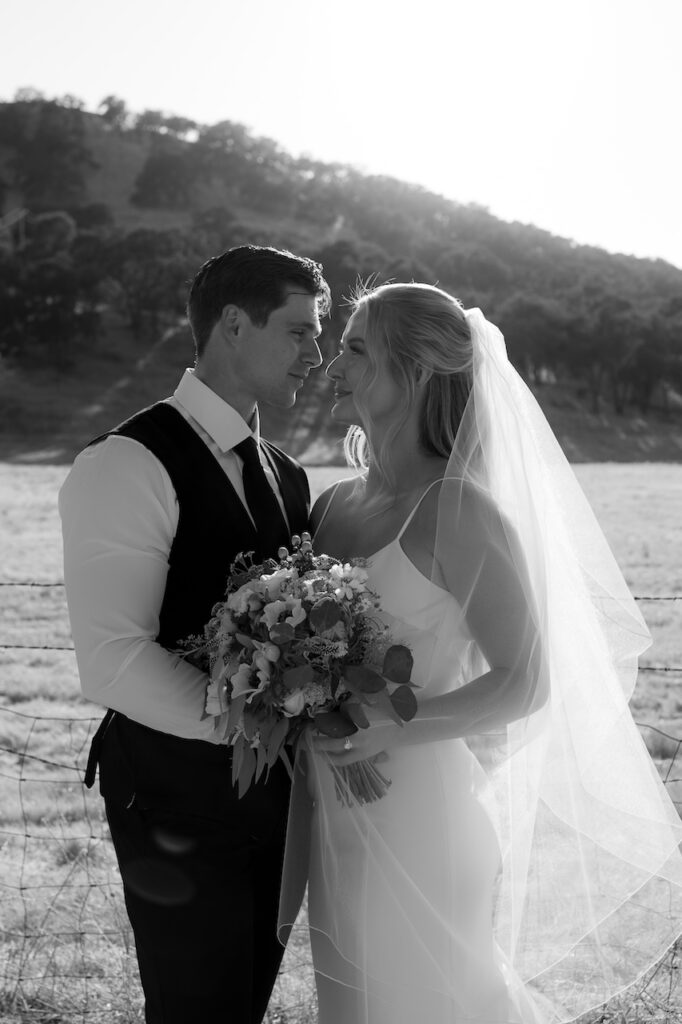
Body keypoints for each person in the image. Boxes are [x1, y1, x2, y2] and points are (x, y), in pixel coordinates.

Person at [278, 282, 682, 1023]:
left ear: (417, 372)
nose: (334, 366)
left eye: (355, 349)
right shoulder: (332, 506)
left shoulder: (459, 509)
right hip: (330, 812)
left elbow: (525, 681)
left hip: (422, 816)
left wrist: (392, 726)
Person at [59, 244, 331, 1024]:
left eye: (320, 337)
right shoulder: (127, 462)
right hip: (173, 799)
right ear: (234, 326)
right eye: (300, 332)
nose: (315, 356)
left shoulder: (289, 473)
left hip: (276, 805)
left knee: (241, 1006)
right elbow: (112, 661)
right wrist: (254, 728)